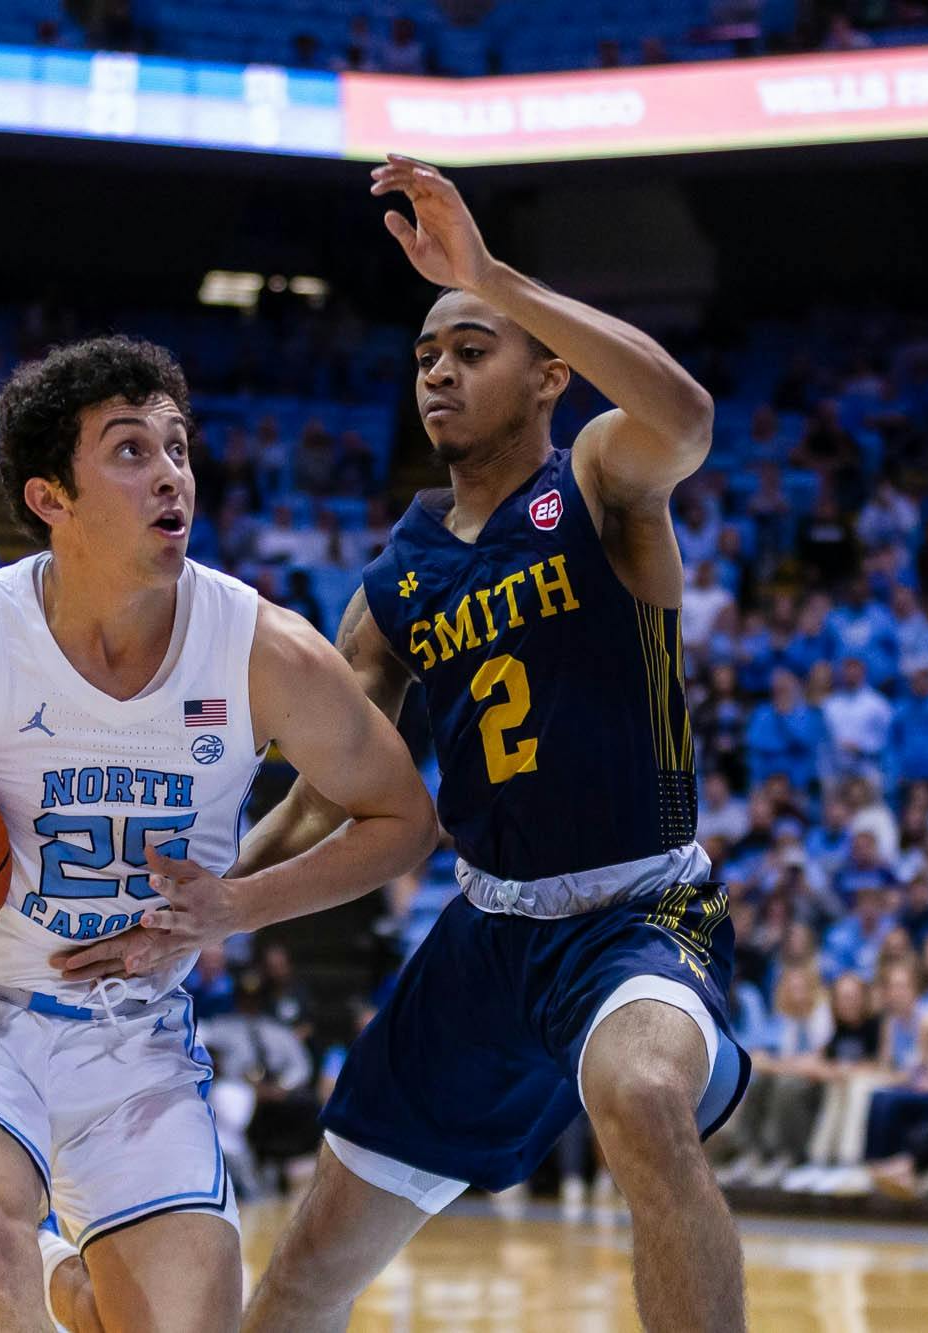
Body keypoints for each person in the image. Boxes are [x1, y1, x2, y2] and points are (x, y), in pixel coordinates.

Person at [0, 333, 435, 1333]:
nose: (171, 473)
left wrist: (233, 906)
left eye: (177, 447)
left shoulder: (263, 651)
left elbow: (402, 819)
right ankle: (32, 1273)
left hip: (137, 1037)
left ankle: (66, 1288)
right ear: (50, 497)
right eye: (130, 450)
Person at [232, 155, 749, 1332]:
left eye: (472, 348)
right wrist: (206, 890)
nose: (440, 373)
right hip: (484, 928)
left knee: (638, 1093)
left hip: (637, 911)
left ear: (544, 371)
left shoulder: (600, 482)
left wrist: (489, 275)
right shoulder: (397, 576)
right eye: (425, 356)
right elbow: (325, 794)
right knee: (313, 1256)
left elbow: (686, 415)